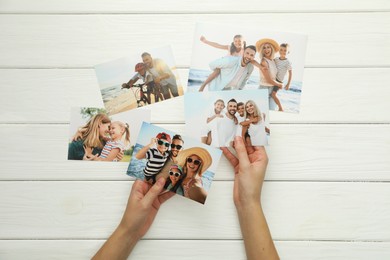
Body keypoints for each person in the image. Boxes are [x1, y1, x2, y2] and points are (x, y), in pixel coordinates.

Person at [92, 136, 279, 260]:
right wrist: (129, 231)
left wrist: (248, 202)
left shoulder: (196, 186)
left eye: (196, 161)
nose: (191, 163)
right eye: (189, 159)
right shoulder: (174, 174)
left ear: (199, 166)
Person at [255, 38, 284, 111]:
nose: (266, 49)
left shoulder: (273, 61)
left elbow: (275, 76)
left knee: (272, 110)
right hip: (263, 89)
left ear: (271, 49)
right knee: (263, 112)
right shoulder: (264, 62)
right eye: (264, 48)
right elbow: (268, 80)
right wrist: (279, 84)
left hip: (271, 90)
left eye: (268, 47)